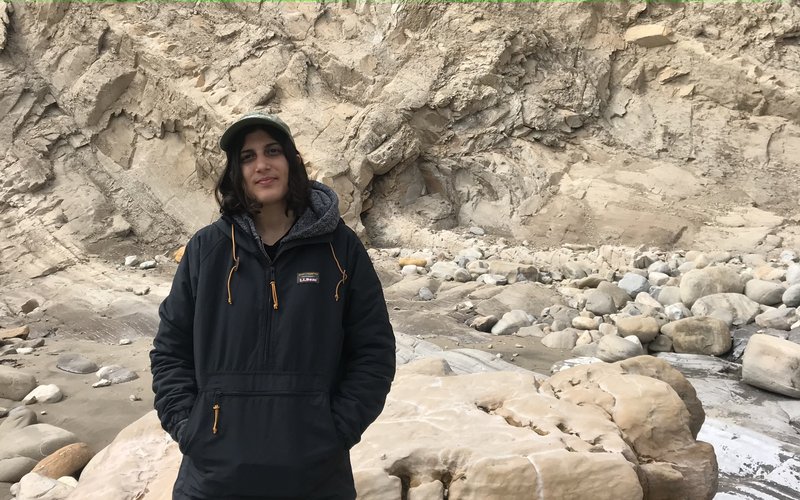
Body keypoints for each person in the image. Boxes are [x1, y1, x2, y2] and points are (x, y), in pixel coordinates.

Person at [150, 112, 396, 500]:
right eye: (247, 157)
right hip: (213, 478)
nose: (261, 165)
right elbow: (170, 350)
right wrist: (187, 426)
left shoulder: (340, 249)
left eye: (272, 151)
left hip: (316, 477)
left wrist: (337, 430)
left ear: (292, 161)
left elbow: (373, 351)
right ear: (236, 173)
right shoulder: (206, 250)